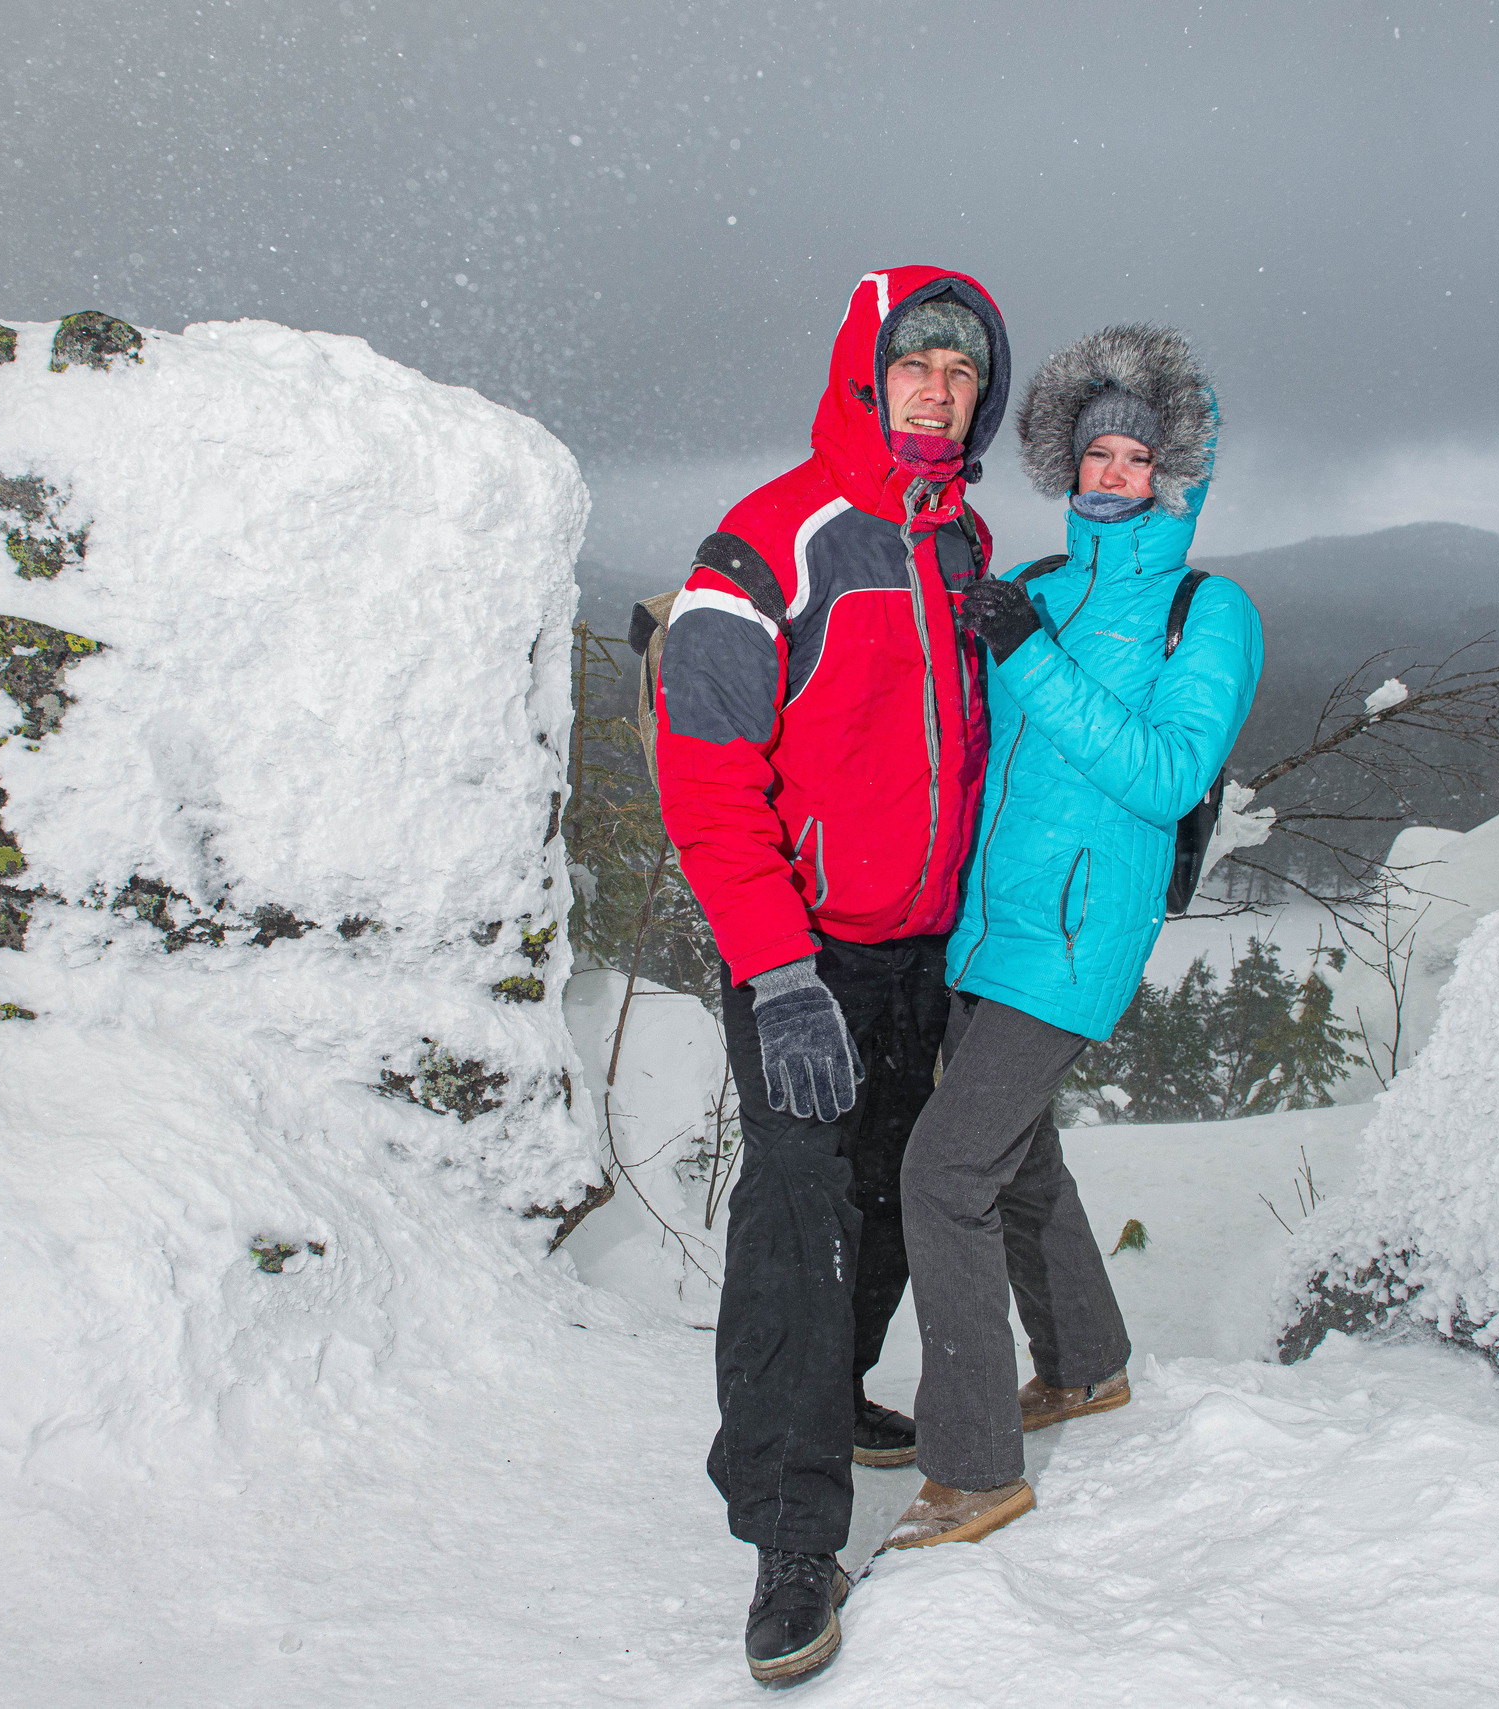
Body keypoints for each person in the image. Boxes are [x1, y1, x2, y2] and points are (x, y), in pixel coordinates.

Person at [651, 266, 1011, 1686]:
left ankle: (837, 1391)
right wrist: (778, 971)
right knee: (802, 1220)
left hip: (926, 950)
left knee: (898, 1195)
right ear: (869, 370)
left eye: (962, 374)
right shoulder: (765, 543)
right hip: (802, 951)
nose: (937, 388)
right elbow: (708, 781)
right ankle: (791, 1541)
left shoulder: (965, 543)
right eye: (917, 364)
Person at [880, 324, 1263, 1553]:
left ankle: (975, 1468)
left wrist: (1030, 658)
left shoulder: (1209, 613)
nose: (1111, 474)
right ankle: (1087, 1363)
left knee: (945, 1175)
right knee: (1016, 1152)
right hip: (983, 928)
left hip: (1080, 936)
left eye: (1134, 457)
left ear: (1175, 472)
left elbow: (1164, 773)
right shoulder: (1037, 585)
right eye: (1093, 452)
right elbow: (934, 707)